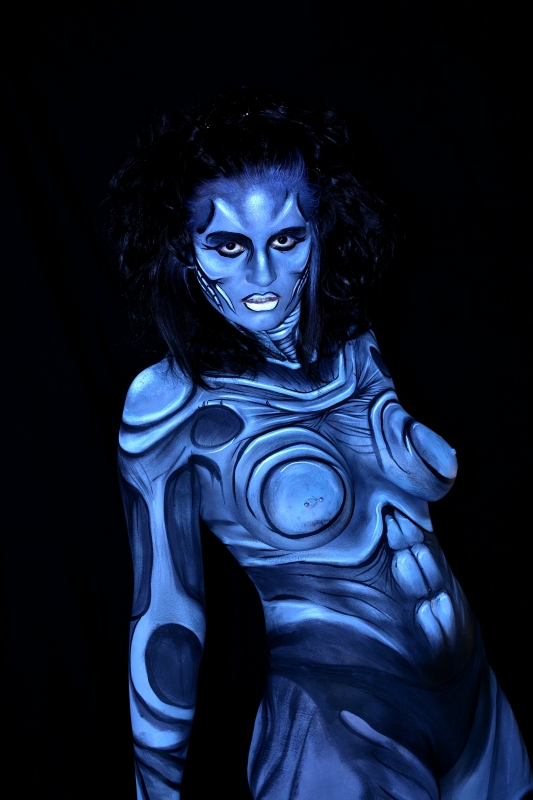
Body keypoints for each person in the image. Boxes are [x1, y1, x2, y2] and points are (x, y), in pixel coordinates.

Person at [108, 86, 532, 799]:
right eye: (228, 246)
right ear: (182, 251)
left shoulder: (355, 346)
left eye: (285, 239)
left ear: (321, 229)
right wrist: (155, 790)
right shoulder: (169, 402)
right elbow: (167, 618)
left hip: (475, 708)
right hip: (340, 734)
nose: (263, 277)